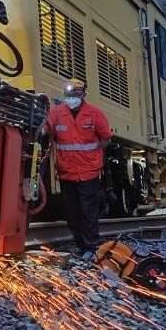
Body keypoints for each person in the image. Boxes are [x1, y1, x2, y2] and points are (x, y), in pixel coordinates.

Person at [45, 79, 112, 258]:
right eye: (69, 94)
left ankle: (90, 247)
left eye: (76, 94)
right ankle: (82, 245)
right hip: (66, 172)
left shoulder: (94, 114)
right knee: (72, 212)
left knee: (88, 211)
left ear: (83, 95)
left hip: (88, 171)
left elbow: (105, 138)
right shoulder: (56, 113)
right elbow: (47, 131)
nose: (72, 97)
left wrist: (92, 155)